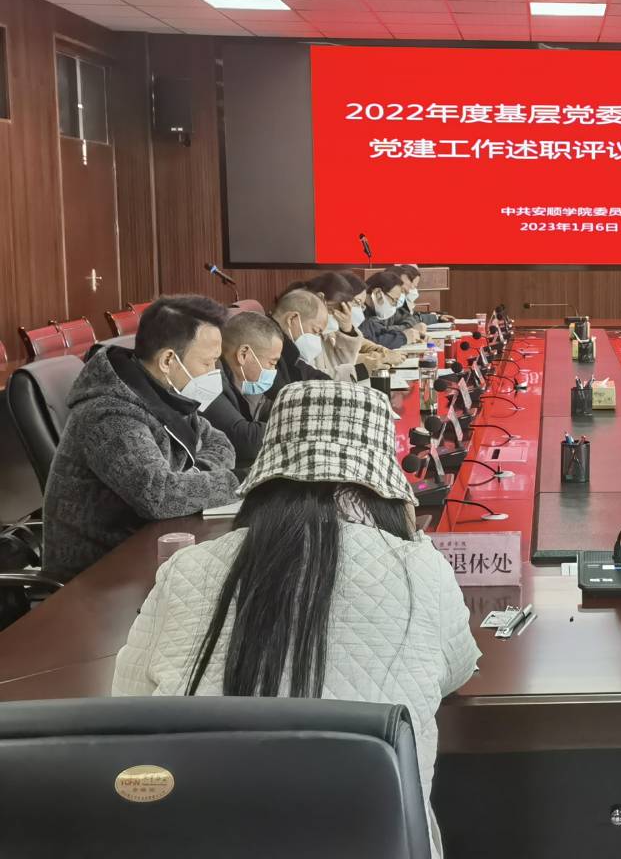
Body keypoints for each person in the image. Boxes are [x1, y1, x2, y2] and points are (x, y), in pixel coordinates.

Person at [113, 380, 480, 856]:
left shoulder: (187, 567)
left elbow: (129, 702)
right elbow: (457, 668)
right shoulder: (420, 568)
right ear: (383, 484)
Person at [42, 295, 240, 580]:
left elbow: (220, 443)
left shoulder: (162, 392)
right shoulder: (108, 413)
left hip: (148, 548)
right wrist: (241, 481)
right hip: (98, 576)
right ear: (168, 360)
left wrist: (194, 476)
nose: (214, 373)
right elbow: (158, 495)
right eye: (208, 363)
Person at [203, 310, 281, 473]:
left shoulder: (244, 380)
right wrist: (297, 423)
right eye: (272, 363)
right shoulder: (208, 380)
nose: (273, 370)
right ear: (243, 354)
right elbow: (245, 440)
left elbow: (267, 408)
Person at [360, 270, 428, 350]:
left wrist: (410, 333)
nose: (394, 306)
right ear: (378, 293)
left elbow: (383, 332)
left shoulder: (376, 310)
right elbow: (371, 342)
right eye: (394, 300)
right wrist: (404, 337)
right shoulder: (358, 312)